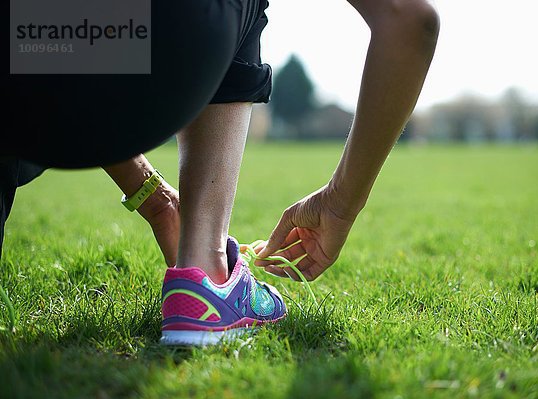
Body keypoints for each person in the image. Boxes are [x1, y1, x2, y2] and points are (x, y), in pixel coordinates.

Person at [2, 0, 440, 345]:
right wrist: (339, 204)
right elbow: (408, 17)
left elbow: (76, 34)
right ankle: (206, 271)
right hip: (158, 40)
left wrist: (158, 203)